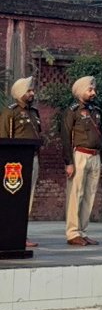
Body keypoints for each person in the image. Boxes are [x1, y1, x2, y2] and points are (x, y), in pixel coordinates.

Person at [0, 77, 42, 248]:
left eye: (32, 90)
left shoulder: (34, 113)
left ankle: (21, 233)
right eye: (28, 91)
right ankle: (9, 232)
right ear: (20, 93)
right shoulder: (10, 112)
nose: (32, 93)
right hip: (14, 164)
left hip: (32, 159)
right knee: (12, 198)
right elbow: (4, 137)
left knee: (27, 199)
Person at [61, 76, 102, 246]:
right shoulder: (72, 111)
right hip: (79, 155)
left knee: (89, 195)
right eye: (90, 90)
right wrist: (68, 162)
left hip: (95, 156)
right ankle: (72, 233)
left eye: (93, 89)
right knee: (75, 195)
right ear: (80, 91)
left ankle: (83, 231)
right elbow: (65, 136)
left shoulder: (95, 110)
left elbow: (100, 135)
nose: (93, 93)